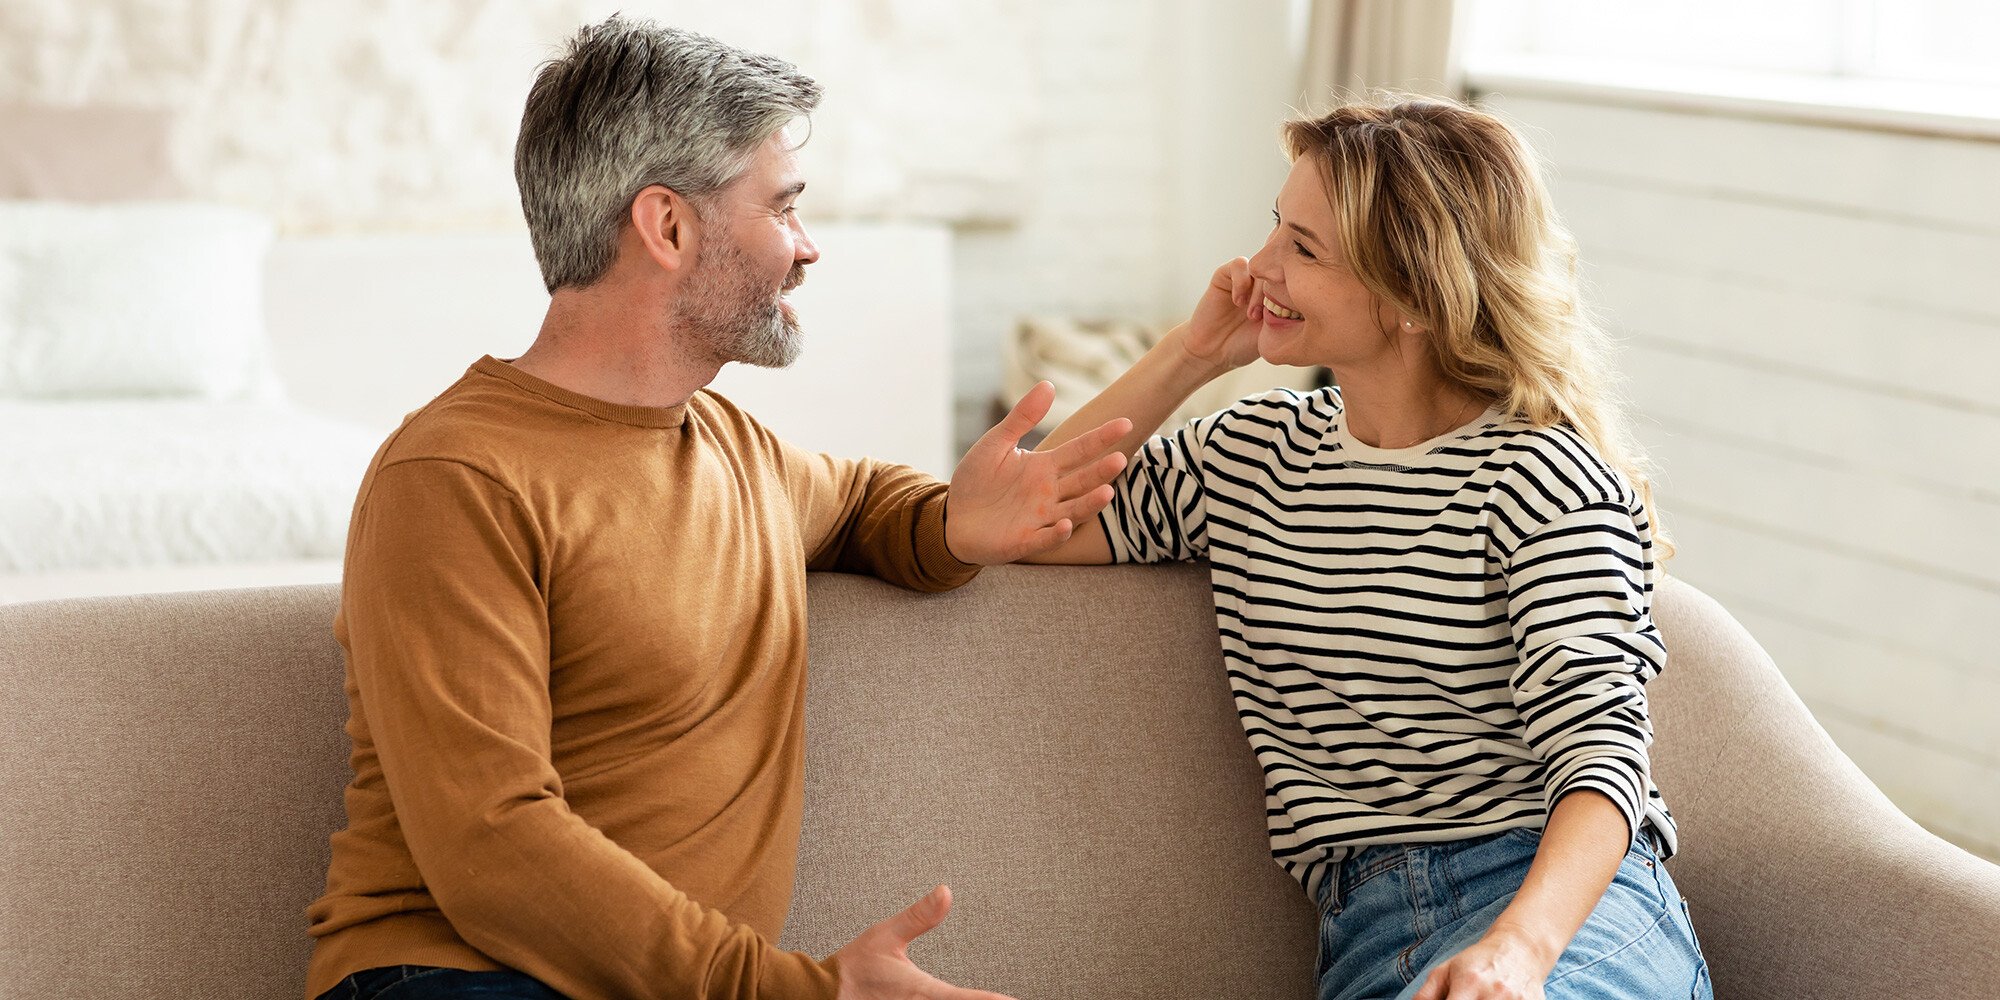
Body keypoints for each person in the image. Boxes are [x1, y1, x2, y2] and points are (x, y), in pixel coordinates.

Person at [303, 17, 1130, 1000]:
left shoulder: (736, 453)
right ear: (667, 227)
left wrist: (951, 523)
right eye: (782, 208)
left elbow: (862, 502)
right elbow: (495, 848)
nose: (808, 248)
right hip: (447, 978)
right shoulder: (451, 476)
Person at [1029, 95, 1712, 999]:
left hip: (1561, 920)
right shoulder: (1250, 457)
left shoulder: (1543, 478)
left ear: (1415, 299)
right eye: (1276, 226)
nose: (1255, 267)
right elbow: (1029, 519)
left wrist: (1518, 954)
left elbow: (1601, 756)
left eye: (1303, 249)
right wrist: (1190, 356)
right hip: (1369, 931)